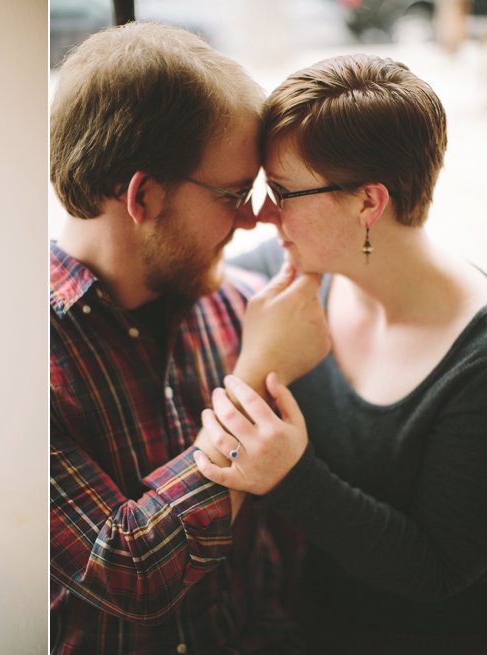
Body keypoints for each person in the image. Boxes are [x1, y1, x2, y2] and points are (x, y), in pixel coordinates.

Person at [50, 22, 330, 654]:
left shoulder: (235, 306)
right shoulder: (19, 354)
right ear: (143, 195)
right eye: (235, 193)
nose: (257, 216)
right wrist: (254, 373)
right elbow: (127, 570)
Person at [195, 54, 487, 653]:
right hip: (292, 618)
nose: (260, 215)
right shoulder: (294, 272)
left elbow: (438, 570)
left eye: (281, 192)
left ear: (367, 204)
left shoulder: (476, 362)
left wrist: (290, 476)